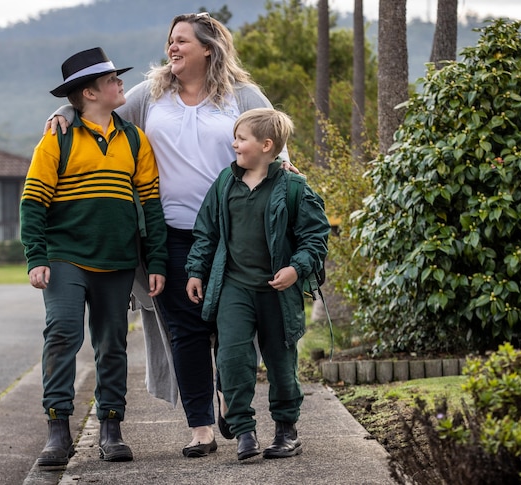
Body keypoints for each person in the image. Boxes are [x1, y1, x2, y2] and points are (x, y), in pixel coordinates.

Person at [46, 12, 294, 458]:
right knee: (185, 330)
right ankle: (200, 426)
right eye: (170, 40)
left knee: (232, 326)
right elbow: (97, 107)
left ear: (209, 48)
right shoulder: (151, 94)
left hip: (235, 234)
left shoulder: (242, 95)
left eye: (181, 41)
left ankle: (229, 400)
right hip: (173, 233)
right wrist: (65, 110)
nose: (172, 48)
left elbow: (274, 145)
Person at [21, 47, 168, 467]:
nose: (121, 84)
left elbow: (152, 204)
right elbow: (33, 201)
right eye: (111, 80)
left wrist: (155, 261)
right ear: (88, 93)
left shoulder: (135, 139)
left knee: (112, 345)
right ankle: (57, 430)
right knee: (63, 334)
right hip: (65, 255)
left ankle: (111, 428)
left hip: (118, 260)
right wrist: (36, 256)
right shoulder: (57, 137)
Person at [185, 108, 330, 460]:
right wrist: (195, 271)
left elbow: (316, 236)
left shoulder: (295, 186)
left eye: (241, 138)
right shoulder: (224, 183)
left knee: (281, 363)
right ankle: (244, 432)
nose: (234, 143)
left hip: (278, 293)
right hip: (234, 286)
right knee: (233, 358)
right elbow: (207, 231)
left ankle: (286, 430)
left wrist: (296, 269)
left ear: (267, 145)